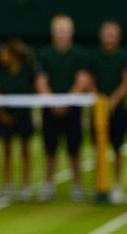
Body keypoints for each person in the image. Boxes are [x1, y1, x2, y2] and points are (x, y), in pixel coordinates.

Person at [35, 14, 91, 202]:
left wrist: (67, 101)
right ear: (53, 32)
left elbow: (82, 81)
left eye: (65, 30)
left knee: (74, 148)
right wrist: (53, 102)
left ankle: (77, 186)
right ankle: (48, 185)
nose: (61, 34)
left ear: (71, 32)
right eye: (58, 30)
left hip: (73, 109)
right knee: (50, 149)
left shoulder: (80, 54)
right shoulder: (44, 54)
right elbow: (41, 81)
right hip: (50, 110)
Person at [90, 20, 127, 204]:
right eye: (107, 34)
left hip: (119, 109)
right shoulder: (95, 56)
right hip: (98, 110)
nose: (109, 38)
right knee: (98, 147)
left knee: (117, 147)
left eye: (113, 34)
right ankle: (101, 185)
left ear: (118, 37)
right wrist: (100, 101)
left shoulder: (124, 55)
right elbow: (89, 80)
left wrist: (113, 101)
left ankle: (117, 185)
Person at [0, 39, 36, 201]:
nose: (1, 56)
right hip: (6, 115)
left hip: (23, 115)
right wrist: (2, 113)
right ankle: (8, 184)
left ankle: (26, 184)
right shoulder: (0, 71)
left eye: (4, 53)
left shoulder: (27, 70)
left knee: (25, 149)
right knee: (6, 150)